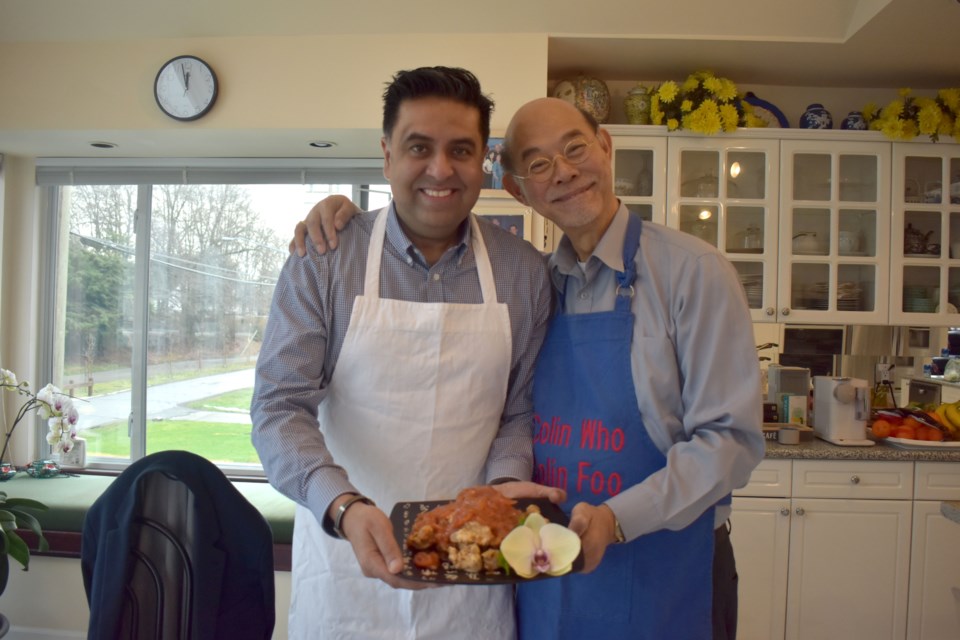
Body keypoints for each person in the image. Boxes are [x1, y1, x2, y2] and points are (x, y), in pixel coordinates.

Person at [293, 97, 764, 640]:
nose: (564, 171)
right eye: (538, 164)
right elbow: (518, 413)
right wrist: (344, 214)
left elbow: (730, 442)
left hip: (664, 564)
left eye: (575, 148)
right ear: (519, 189)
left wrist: (616, 519)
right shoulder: (540, 282)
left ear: (605, 147)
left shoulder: (693, 273)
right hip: (543, 565)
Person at [252, 67, 553, 640]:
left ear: (484, 162)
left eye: (460, 150)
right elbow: (277, 407)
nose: (440, 170)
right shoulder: (325, 259)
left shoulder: (524, 272)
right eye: (419, 147)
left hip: (471, 576)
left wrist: (502, 489)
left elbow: (520, 411)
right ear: (387, 154)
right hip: (345, 569)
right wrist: (342, 505)